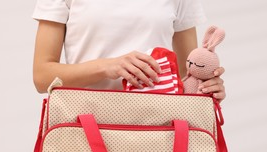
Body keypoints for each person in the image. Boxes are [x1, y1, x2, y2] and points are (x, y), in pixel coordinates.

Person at [32, 0, 226, 101]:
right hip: (83, 129)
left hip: (157, 130)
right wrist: (107, 66)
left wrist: (206, 88)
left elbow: (187, 76)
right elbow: (42, 77)